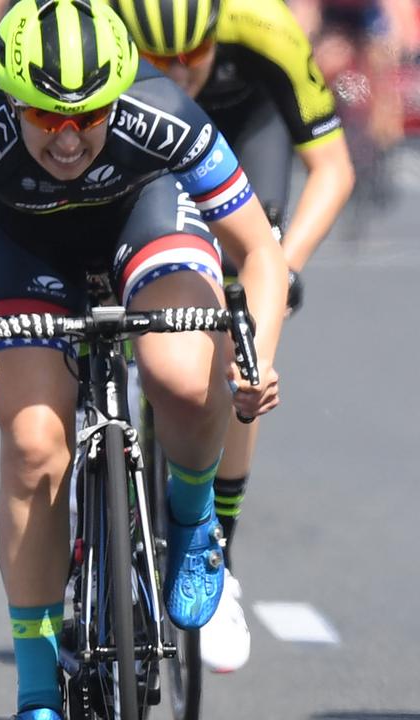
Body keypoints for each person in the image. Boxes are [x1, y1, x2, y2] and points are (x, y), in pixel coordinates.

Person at [0, 1, 285, 717]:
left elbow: (259, 251)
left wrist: (253, 355)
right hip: (26, 251)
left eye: (88, 116)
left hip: (147, 217)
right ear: (12, 100)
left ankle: (194, 526)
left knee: (181, 377)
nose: (68, 139)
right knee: (36, 446)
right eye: (44, 118)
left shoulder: (159, 109)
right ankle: (37, 691)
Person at [109, 0, 354, 673]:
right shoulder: (104, 27)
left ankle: (219, 549)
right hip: (135, 140)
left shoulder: (263, 26)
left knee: (242, 319)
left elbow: (333, 169)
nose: (178, 71)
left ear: (215, 31)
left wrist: (289, 261)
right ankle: (91, 515)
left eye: (192, 54)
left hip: (246, 136)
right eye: (157, 59)